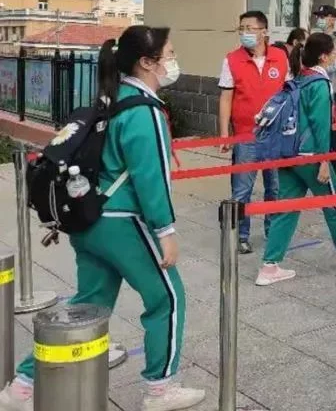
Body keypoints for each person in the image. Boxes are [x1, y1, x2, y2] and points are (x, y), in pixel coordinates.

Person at [0, 27, 205, 411]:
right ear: (147, 62)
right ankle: (160, 389)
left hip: (89, 218)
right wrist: (165, 230)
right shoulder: (145, 111)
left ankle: (22, 386)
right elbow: (151, 177)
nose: (173, 61)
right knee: (167, 298)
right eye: (169, 54)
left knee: (90, 304)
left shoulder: (112, 99)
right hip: (121, 221)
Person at [256, 33, 336, 286]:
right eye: (334, 52)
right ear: (323, 56)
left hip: (287, 153)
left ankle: (269, 266)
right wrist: (324, 160)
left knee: (285, 209)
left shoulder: (297, 79)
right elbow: (321, 125)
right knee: (334, 204)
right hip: (310, 155)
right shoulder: (320, 84)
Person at [218, 11, 288, 255]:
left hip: (276, 136)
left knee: (275, 188)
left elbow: (289, 94)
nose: (244, 33)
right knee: (242, 190)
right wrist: (224, 133)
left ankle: (273, 231)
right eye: (241, 28)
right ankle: (240, 236)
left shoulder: (280, 57)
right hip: (245, 136)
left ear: (264, 31)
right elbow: (226, 98)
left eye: (249, 28)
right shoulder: (232, 60)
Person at [313, 4, 336, 176]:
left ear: (332, 19)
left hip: (334, 90)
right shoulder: (317, 37)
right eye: (318, 16)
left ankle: (335, 167)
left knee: (333, 129)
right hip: (320, 88)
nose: (319, 19)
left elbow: (334, 64)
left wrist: (315, 67)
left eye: (323, 16)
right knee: (320, 127)